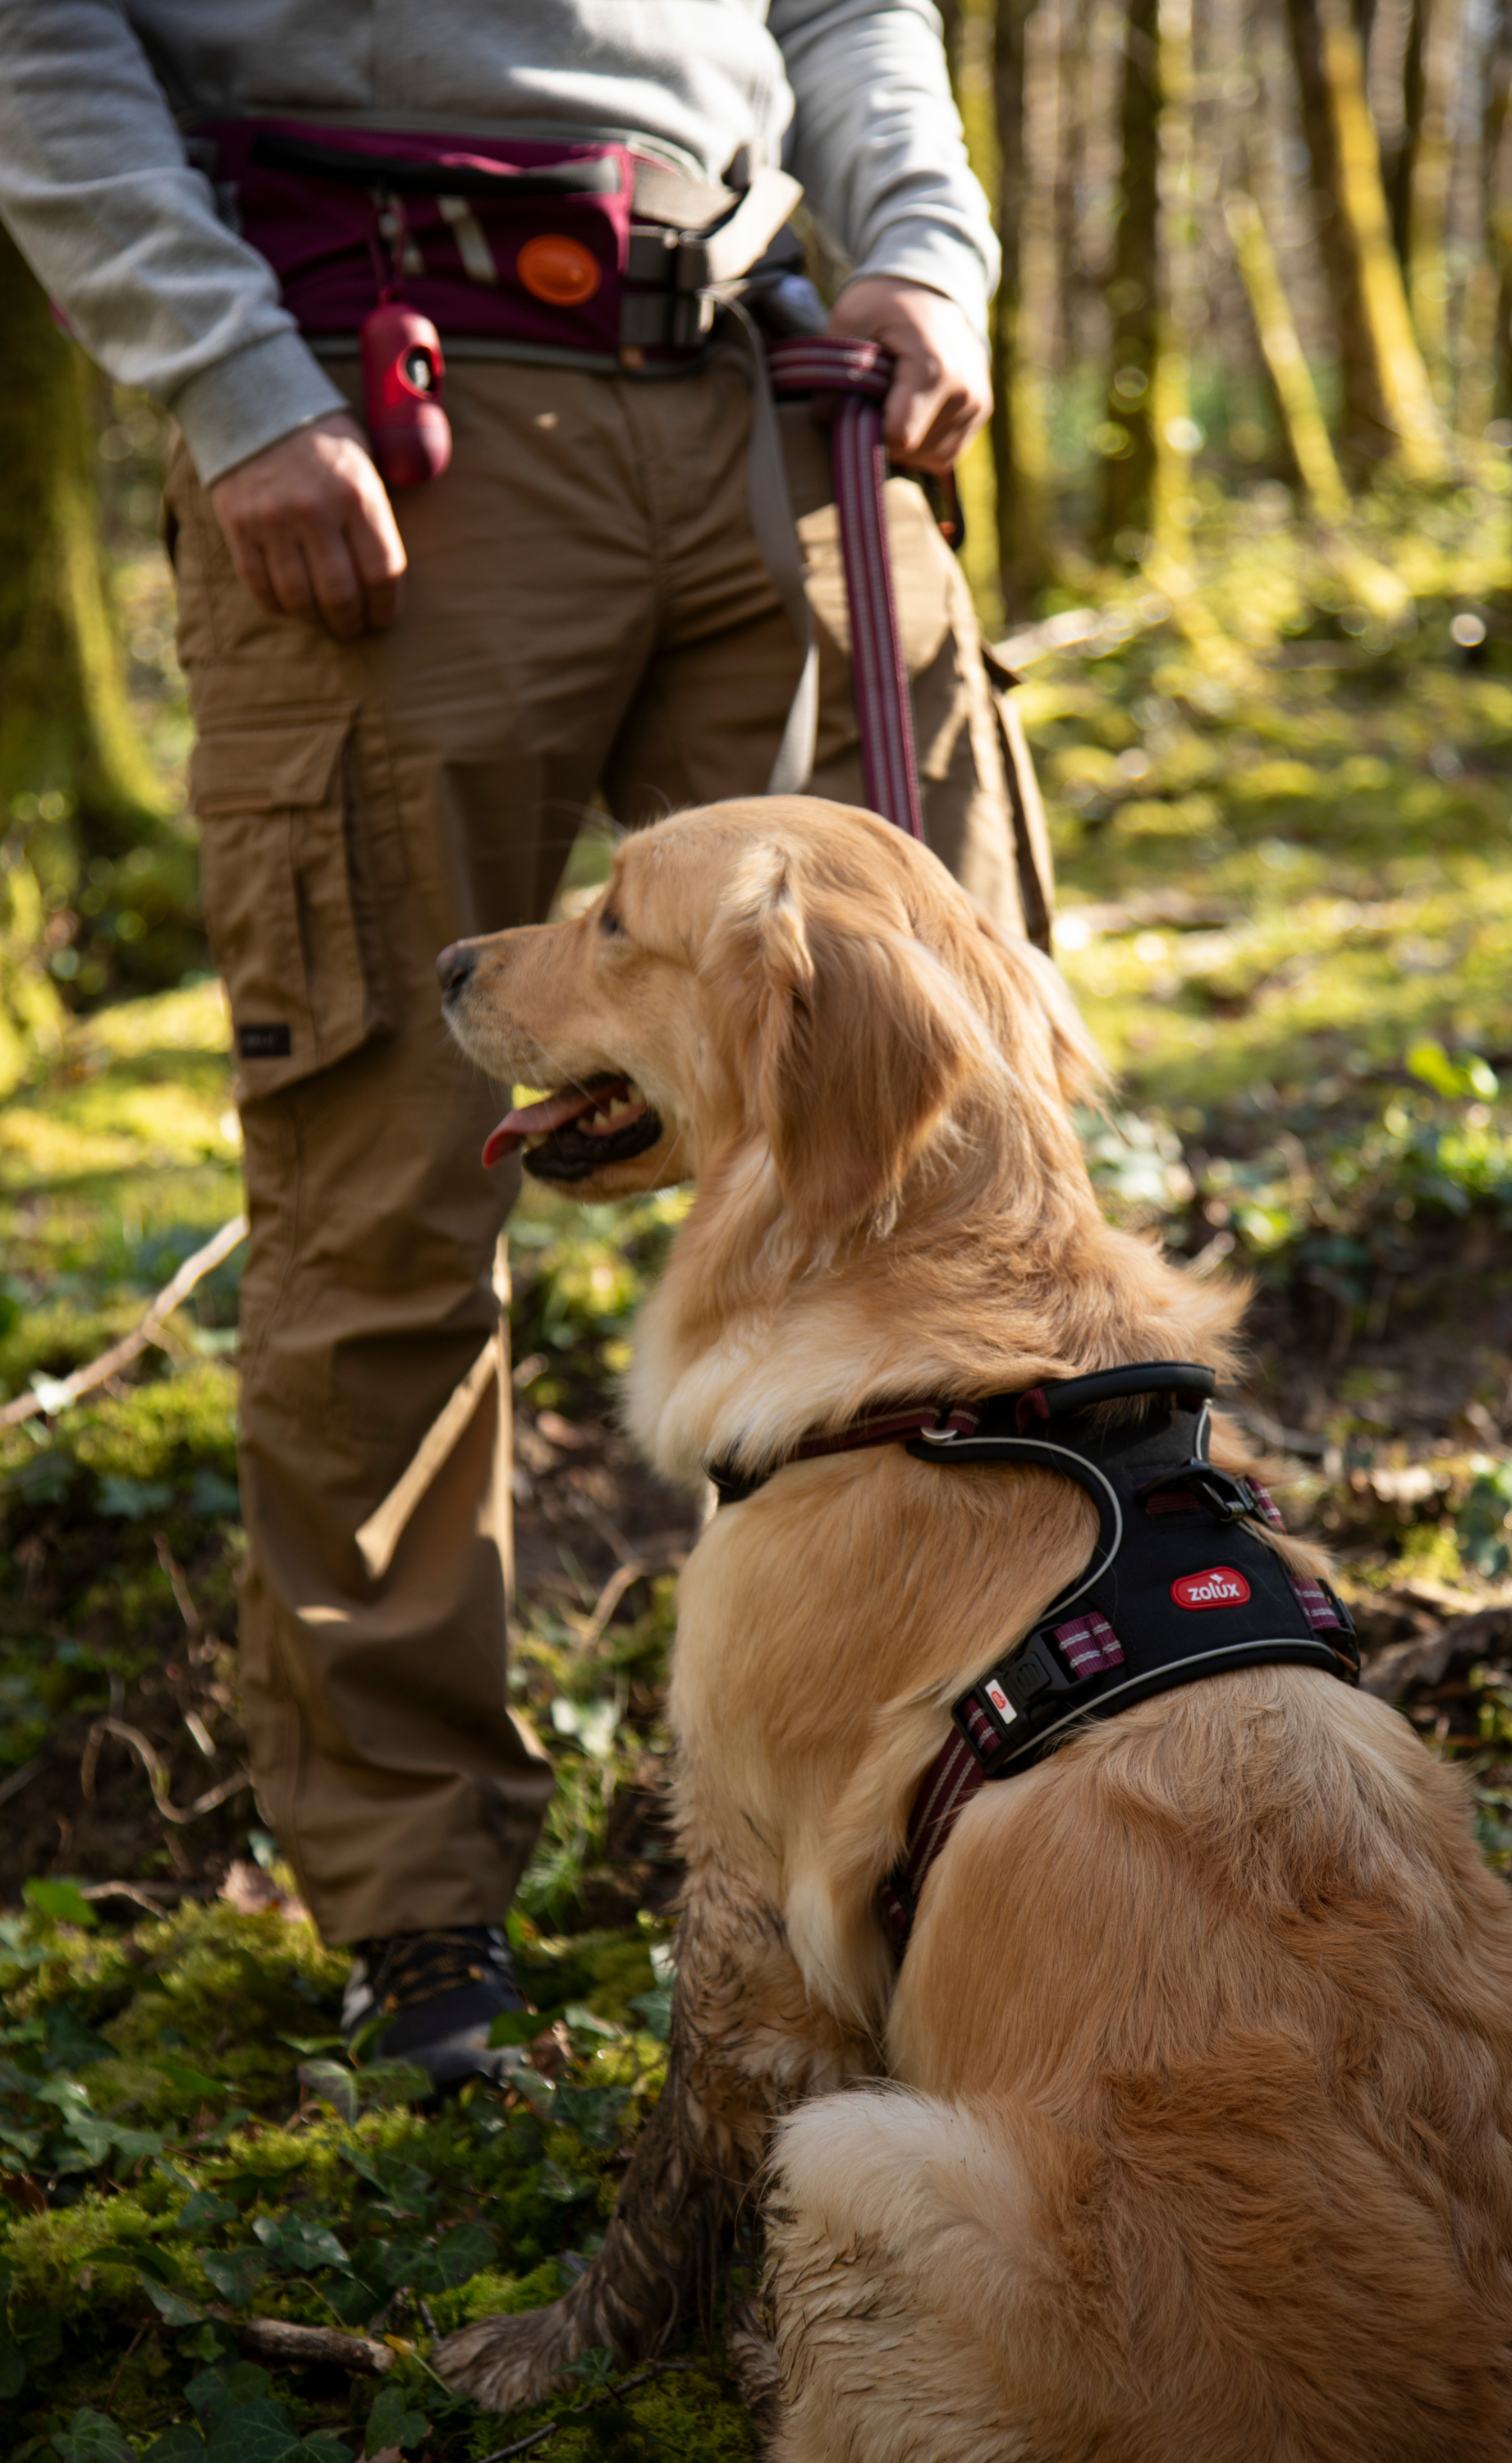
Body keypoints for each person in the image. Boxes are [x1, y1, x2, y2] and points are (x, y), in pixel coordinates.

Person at [0, 0, 1052, 2086]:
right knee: (390, 1187)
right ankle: (426, 1931)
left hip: (772, 378)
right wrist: (226, 378)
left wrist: (921, 244)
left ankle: (1019, 1784)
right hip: (388, 406)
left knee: (965, 1120)